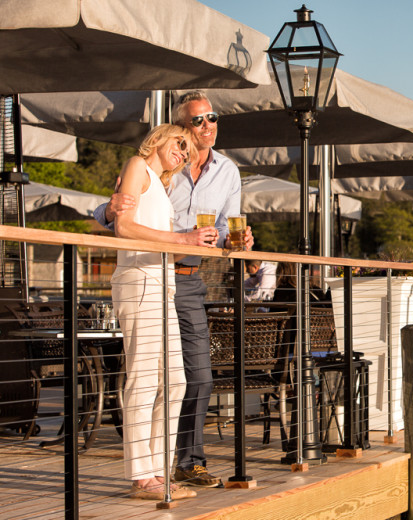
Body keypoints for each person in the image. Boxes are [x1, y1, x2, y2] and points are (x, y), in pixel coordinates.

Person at [95, 91, 254, 488]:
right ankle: (146, 474)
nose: (204, 128)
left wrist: (242, 243)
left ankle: (179, 464)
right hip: (149, 277)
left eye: (211, 118)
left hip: (183, 281)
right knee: (148, 377)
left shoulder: (224, 173)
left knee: (190, 378)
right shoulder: (154, 167)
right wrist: (109, 210)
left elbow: (223, 232)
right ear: (174, 130)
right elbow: (118, 215)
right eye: (194, 123)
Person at [111, 124, 216, 501]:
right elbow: (122, 226)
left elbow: (164, 240)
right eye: (180, 143)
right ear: (159, 138)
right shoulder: (138, 165)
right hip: (138, 278)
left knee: (175, 381)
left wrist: (196, 243)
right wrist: (183, 238)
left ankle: (159, 469)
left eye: (189, 150)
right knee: (142, 378)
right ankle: (142, 477)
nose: (185, 152)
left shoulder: (162, 185)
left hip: (163, 283)